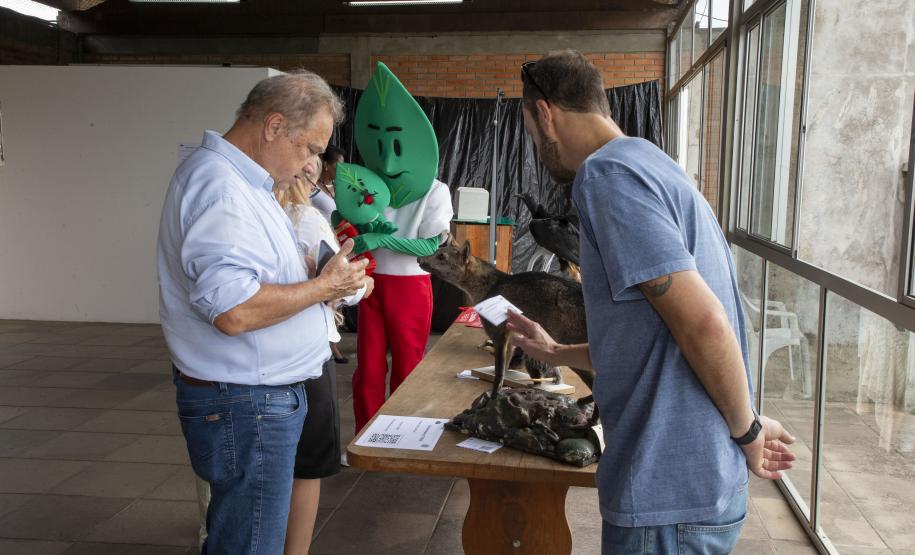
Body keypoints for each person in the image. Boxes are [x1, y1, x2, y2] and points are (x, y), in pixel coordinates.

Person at [505, 50, 797, 554]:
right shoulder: (650, 163)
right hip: (689, 487)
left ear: (545, 114)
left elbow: (703, 323)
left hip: (668, 495)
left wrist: (746, 429)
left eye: (532, 136)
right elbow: (648, 340)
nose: (537, 149)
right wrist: (554, 353)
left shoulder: (607, 178)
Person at [157, 70, 368, 554]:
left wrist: (313, 275)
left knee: (249, 537)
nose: (313, 163)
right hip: (247, 402)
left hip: (253, 398)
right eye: (310, 148)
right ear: (274, 126)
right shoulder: (224, 190)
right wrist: (322, 286)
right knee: (250, 544)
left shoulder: (246, 183)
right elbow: (233, 311)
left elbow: (250, 281)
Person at [275, 174, 374, 555]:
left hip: (251, 364)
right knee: (307, 468)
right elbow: (343, 289)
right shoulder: (306, 217)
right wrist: (363, 284)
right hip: (306, 356)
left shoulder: (245, 210)